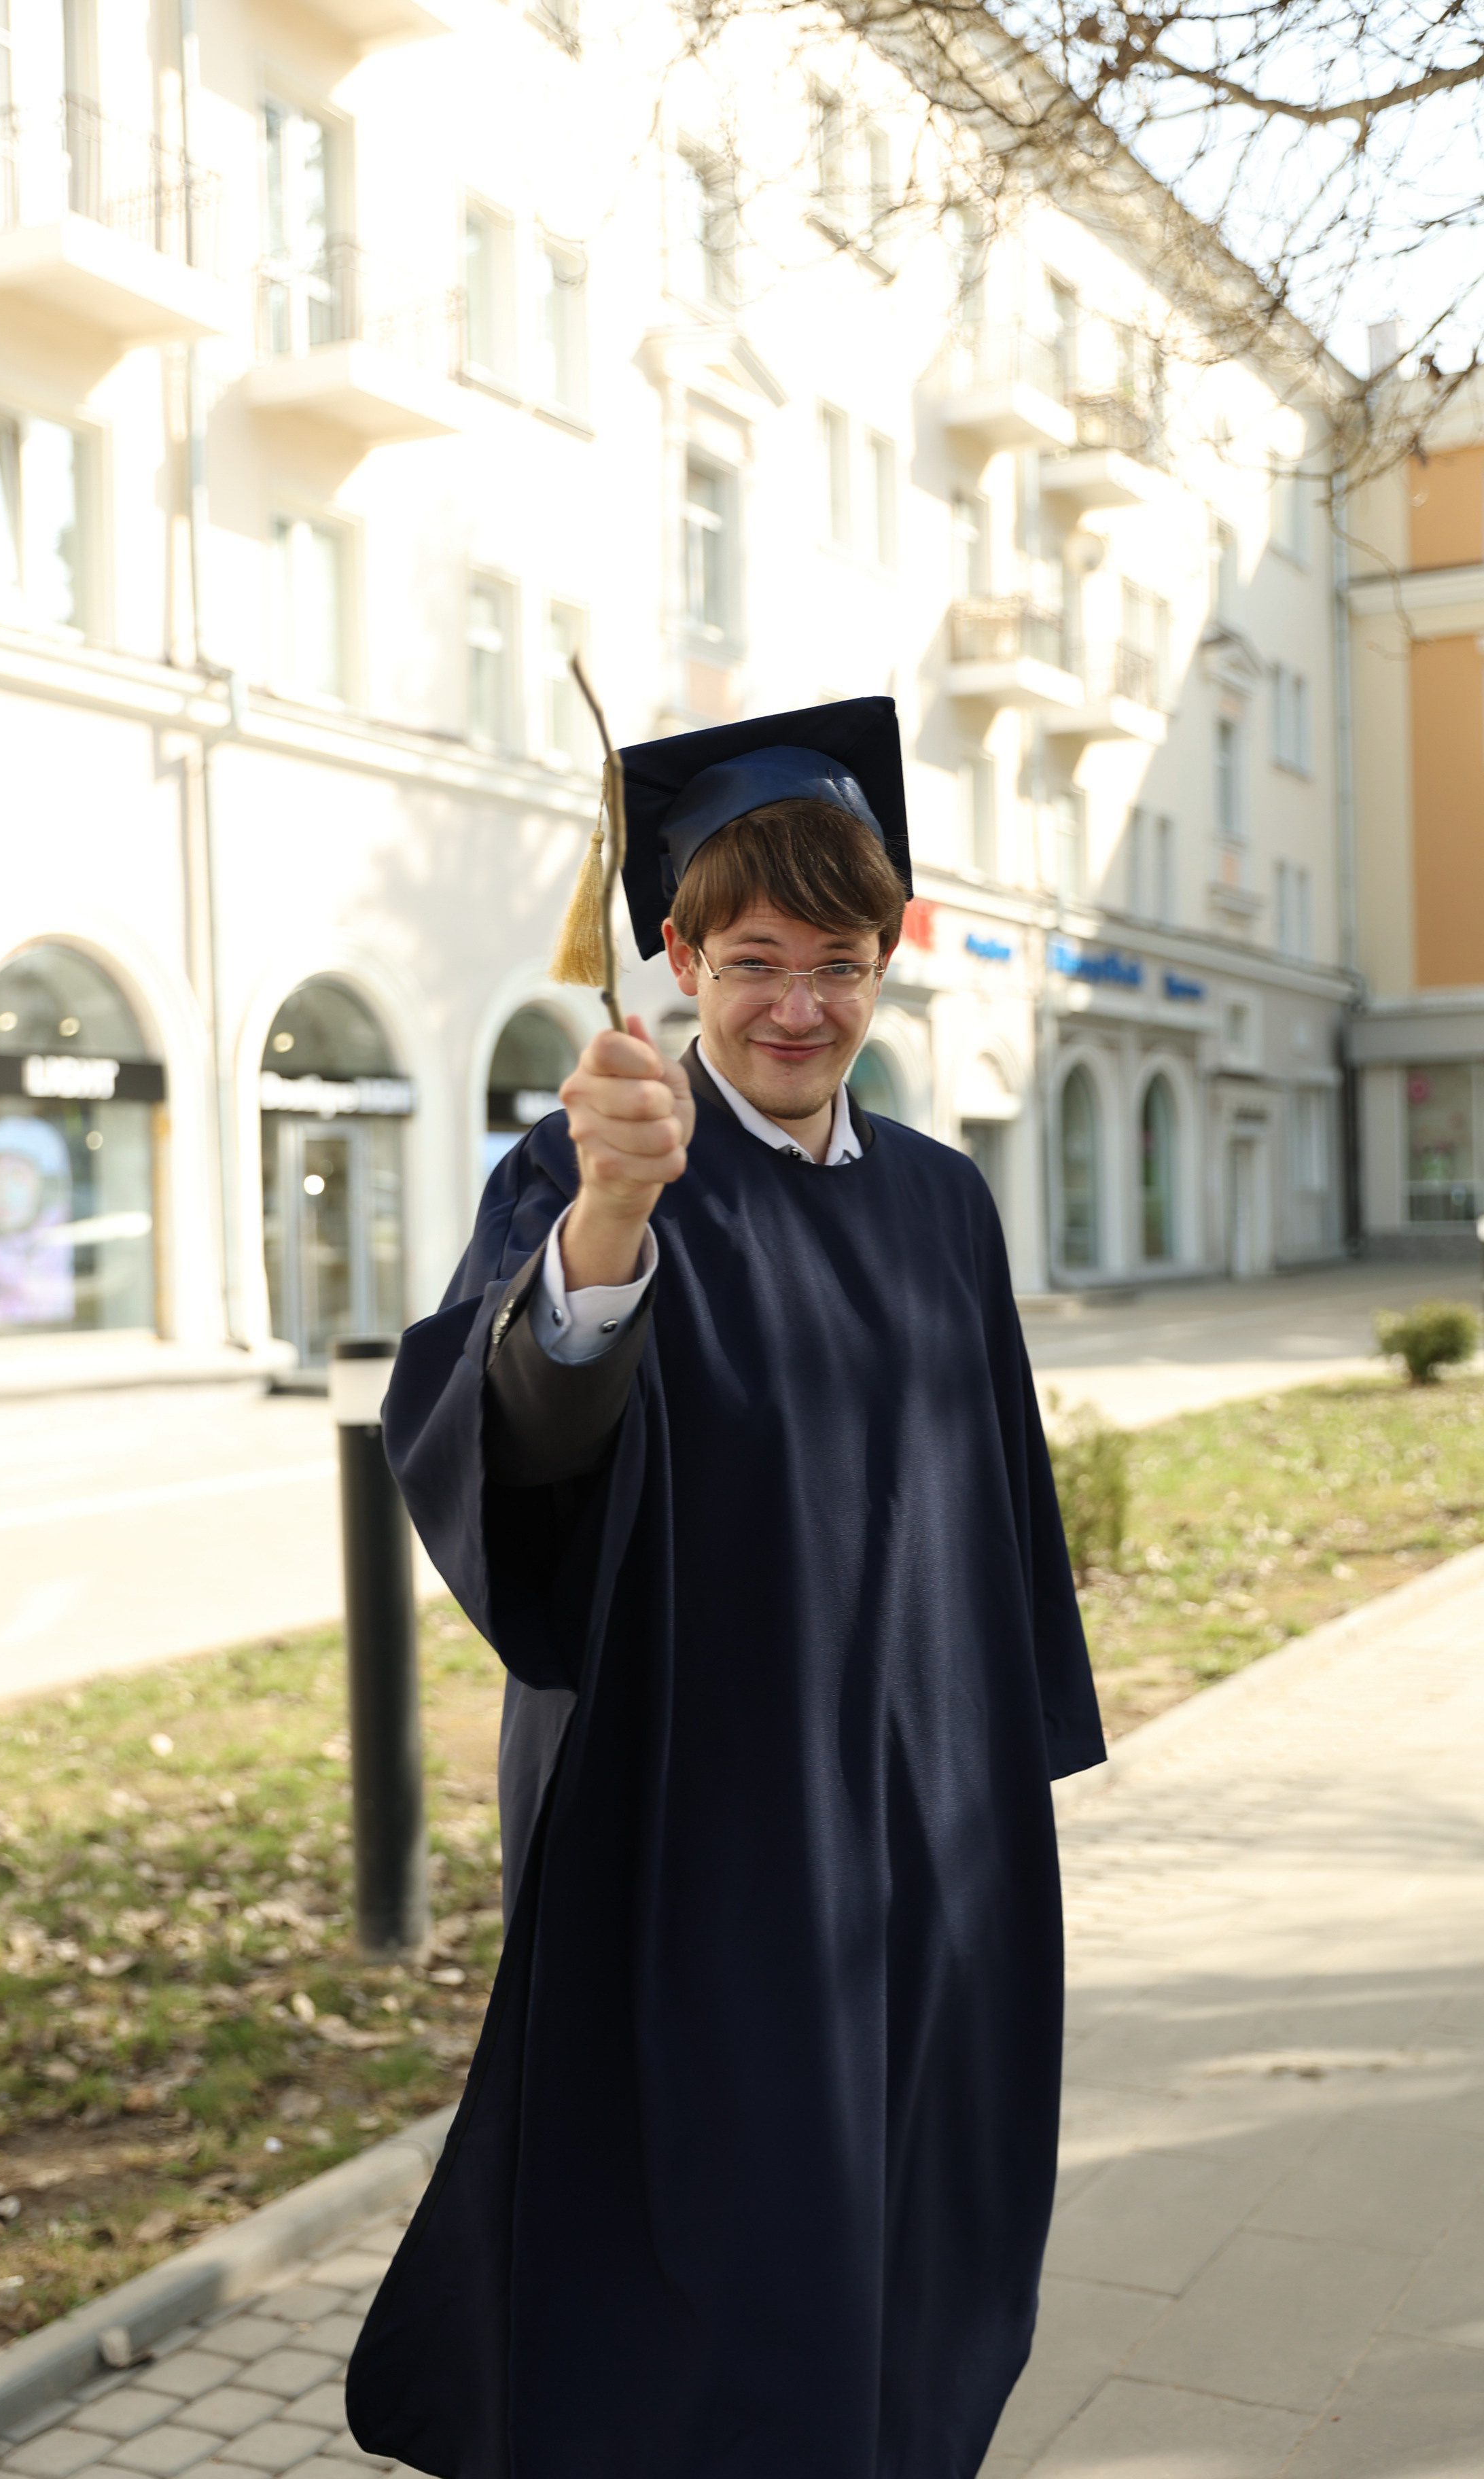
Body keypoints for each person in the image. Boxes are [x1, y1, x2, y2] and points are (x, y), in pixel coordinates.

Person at [347, 697, 1105, 2479]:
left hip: (933, 1844)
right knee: (723, 2272)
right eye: (753, 958)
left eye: (839, 963)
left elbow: (998, 1498)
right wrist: (609, 1217)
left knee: (918, 2239)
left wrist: (1015, 1767)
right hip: (705, 1842)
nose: (796, 1005)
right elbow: (518, 1442)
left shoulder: (939, 1202)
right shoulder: (600, 1170)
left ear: (886, 962)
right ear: (675, 954)